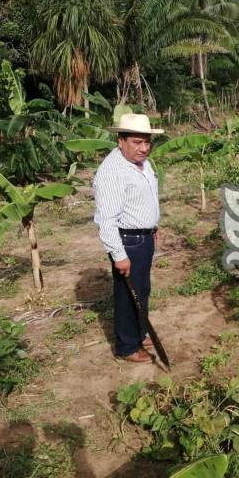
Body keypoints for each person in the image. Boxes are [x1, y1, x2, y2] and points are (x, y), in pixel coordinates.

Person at [93, 113, 163, 363]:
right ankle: (127, 346)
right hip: (128, 241)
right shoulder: (113, 171)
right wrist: (119, 255)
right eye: (137, 142)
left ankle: (139, 332)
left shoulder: (144, 164)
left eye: (147, 142)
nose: (143, 148)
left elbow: (144, 200)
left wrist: (152, 226)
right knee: (127, 294)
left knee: (142, 289)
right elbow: (106, 220)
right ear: (120, 140)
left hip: (143, 237)